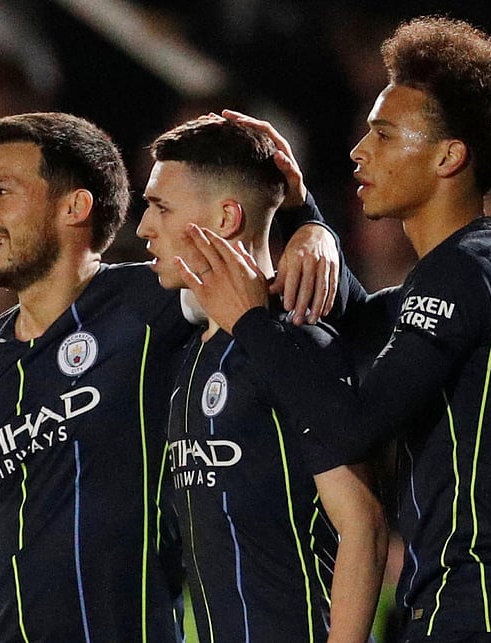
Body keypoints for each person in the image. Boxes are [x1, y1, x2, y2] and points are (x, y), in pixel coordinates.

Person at [177, 17, 491, 642]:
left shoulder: (470, 272)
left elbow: (352, 424)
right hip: (479, 607)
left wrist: (249, 322)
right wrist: (305, 216)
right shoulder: (476, 270)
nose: (358, 151)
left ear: (449, 156)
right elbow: (355, 325)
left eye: (384, 134)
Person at [0, 111, 342, 641]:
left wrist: (312, 226)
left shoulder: (153, 301)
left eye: (1, 192)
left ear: (74, 207)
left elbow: (268, 291)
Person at [136, 114, 387, 642]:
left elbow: (362, 525)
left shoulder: (297, 344)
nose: (144, 228)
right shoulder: (191, 356)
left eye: (161, 207)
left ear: (226, 217)